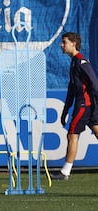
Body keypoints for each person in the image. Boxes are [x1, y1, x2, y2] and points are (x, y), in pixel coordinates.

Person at [51, 32, 98, 180]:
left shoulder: (81, 62)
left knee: (72, 135)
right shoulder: (74, 62)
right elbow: (72, 89)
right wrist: (65, 109)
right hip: (86, 106)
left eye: (64, 42)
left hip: (84, 106)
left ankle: (65, 172)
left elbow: (95, 84)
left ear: (73, 44)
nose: (62, 45)